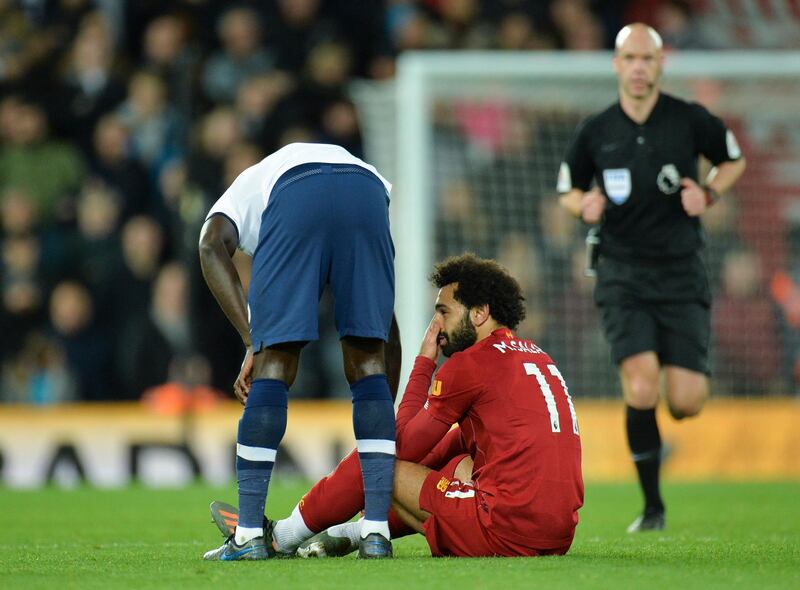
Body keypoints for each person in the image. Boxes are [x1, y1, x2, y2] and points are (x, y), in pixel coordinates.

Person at [209, 253, 584, 558]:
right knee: (461, 464)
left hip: (508, 530)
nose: (435, 324)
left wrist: (423, 362)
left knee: (380, 463)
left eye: (443, 311)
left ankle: (284, 535)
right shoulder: (538, 357)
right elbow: (449, 447)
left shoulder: (471, 363)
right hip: (559, 533)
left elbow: (397, 444)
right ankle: (352, 533)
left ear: (479, 313)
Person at [556, 24, 746, 532]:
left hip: (682, 273)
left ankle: (670, 400)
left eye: (647, 57)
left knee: (685, 402)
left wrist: (707, 194)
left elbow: (733, 160)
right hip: (621, 275)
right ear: (617, 65)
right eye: (629, 58)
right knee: (640, 387)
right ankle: (653, 508)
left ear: (661, 64)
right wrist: (584, 206)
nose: (638, 67)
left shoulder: (689, 120)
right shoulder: (597, 130)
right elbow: (567, 189)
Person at [199, 142, 400, 560]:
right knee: (367, 361)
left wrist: (253, 341)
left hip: (296, 192)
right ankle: (376, 531)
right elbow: (385, 324)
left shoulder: (242, 193)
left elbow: (209, 244)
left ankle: (249, 534)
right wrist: (383, 413)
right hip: (368, 188)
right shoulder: (332, 169)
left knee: (275, 365)